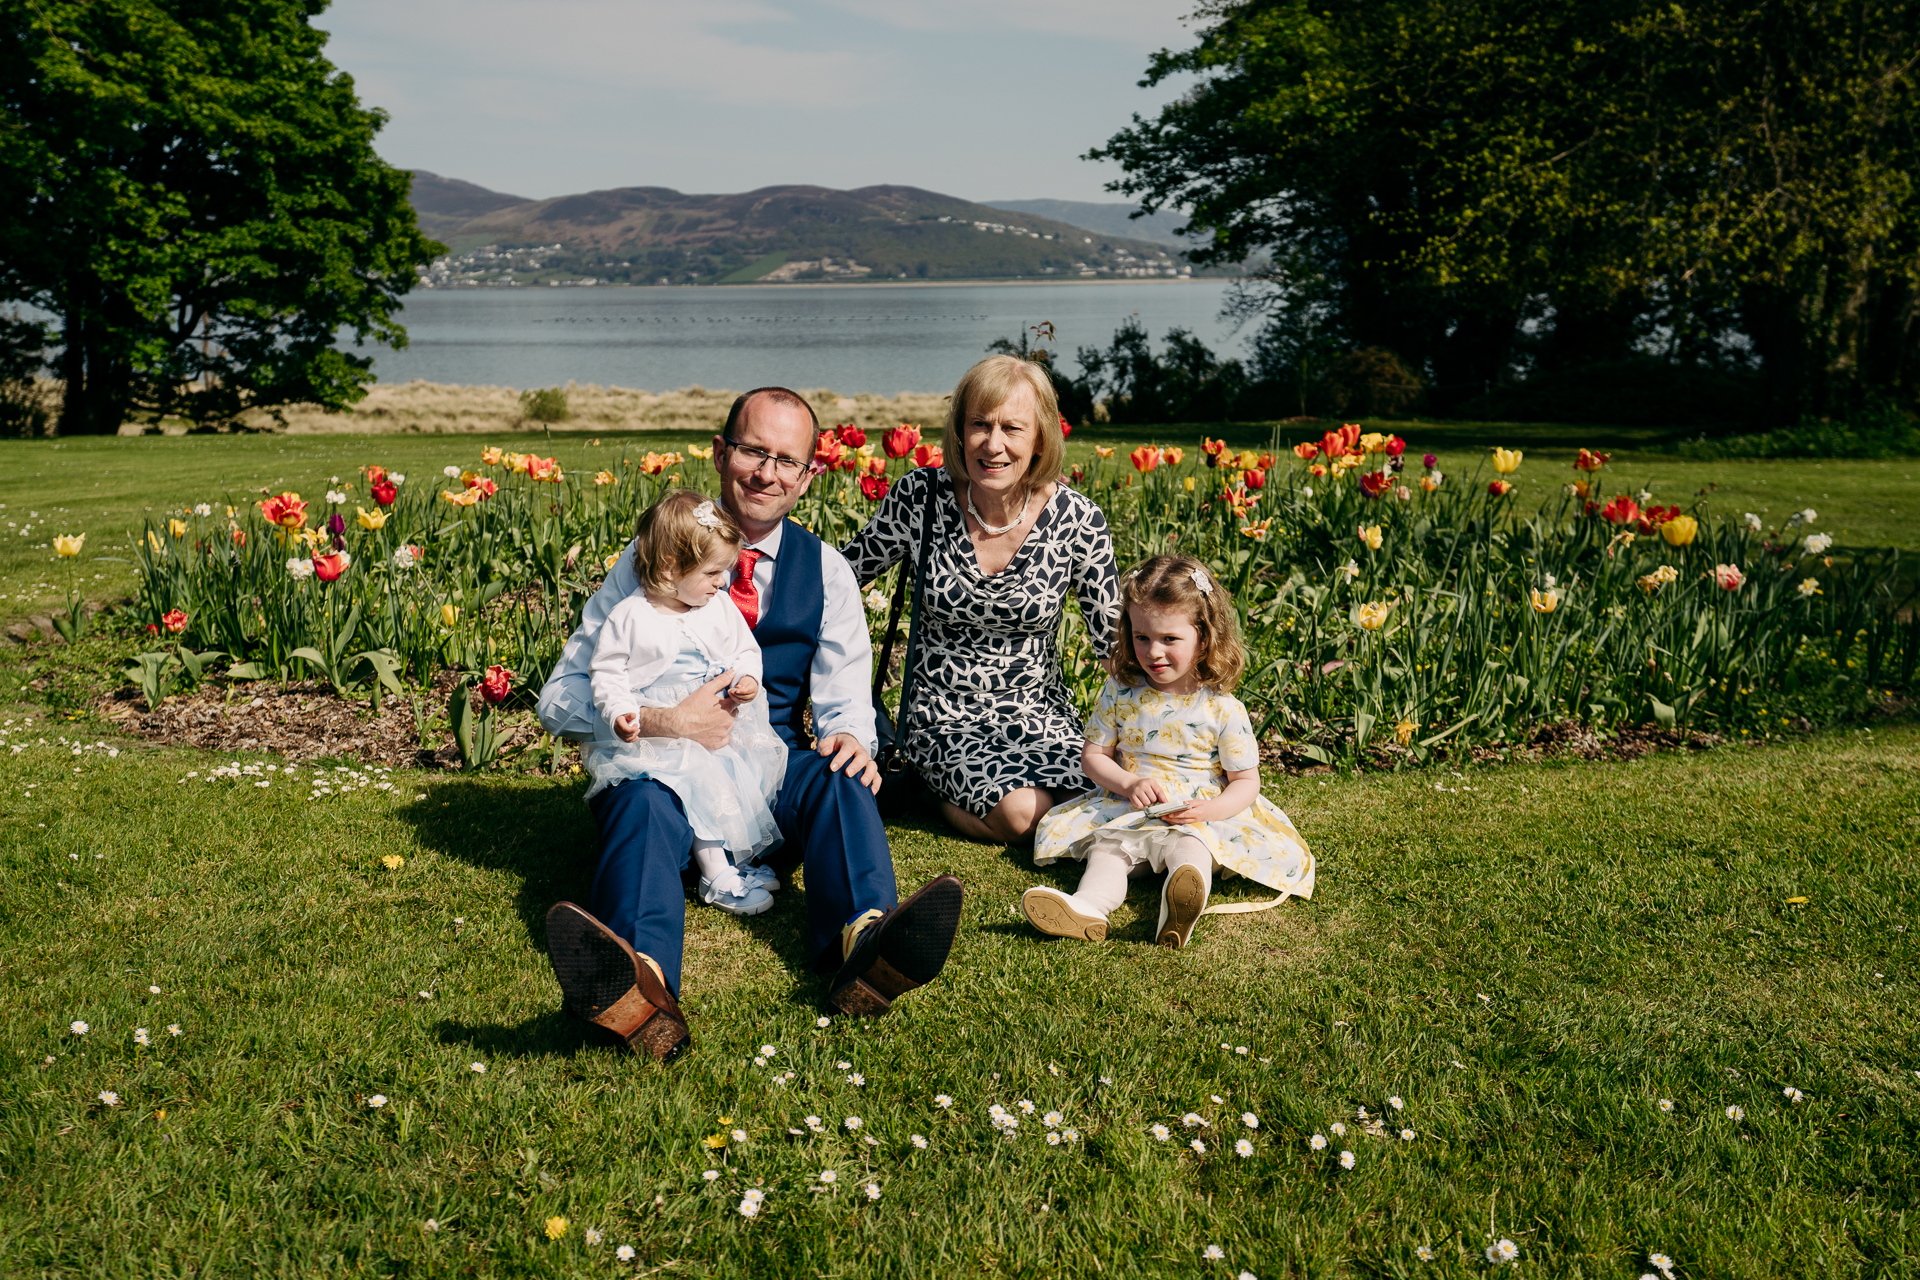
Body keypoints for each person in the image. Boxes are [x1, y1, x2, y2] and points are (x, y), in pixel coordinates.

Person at [537, 386, 963, 1061]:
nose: (766, 473)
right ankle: (640, 985)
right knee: (642, 802)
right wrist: (662, 720)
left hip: (764, 767)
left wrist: (853, 734)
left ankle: (868, 942)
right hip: (662, 772)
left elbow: (848, 697)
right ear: (720, 452)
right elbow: (560, 698)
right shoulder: (646, 563)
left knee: (839, 773)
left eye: (786, 460)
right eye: (752, 451)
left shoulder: (827, 572)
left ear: (809, 476)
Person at [842, 354, 1119, 844]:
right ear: (958, 431)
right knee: (1022, 815)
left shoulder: (1078, 519)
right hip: (944, 715)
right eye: (979, 425)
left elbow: (1112, 641)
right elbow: (843, 574)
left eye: (1012, 428)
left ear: (1040, 438)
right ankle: (930, 790)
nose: (993, 445)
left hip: (1039, 711)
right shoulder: (921, 498)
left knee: (1102, 793)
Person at [1021, 554, 1314, 947]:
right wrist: (1127, 783)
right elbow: (1092, 757)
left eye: (1169, 639)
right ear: (1128, 632)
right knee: (1108, 849)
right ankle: (1088, 907)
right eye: (1142, 637)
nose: (1153, 652)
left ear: (1204, 637)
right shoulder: (1121, 692)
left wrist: (1208, 812)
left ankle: (1180, 904)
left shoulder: (1222, 708)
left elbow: (1246, 783)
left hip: (1199, 813)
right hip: (1132, 809)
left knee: (1191, 847)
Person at [584, 489, 784, 916]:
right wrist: (620, 712)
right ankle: (715, 876)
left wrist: (748, 677)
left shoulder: (717, 607)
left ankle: (737, 861)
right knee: (697, 786)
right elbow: (607, 672)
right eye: (713, 572)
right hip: (661, 740)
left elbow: (746, 649)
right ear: (670, 568)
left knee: (731, 790)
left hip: (717, 727)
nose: (722, 582)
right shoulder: (632, 616)